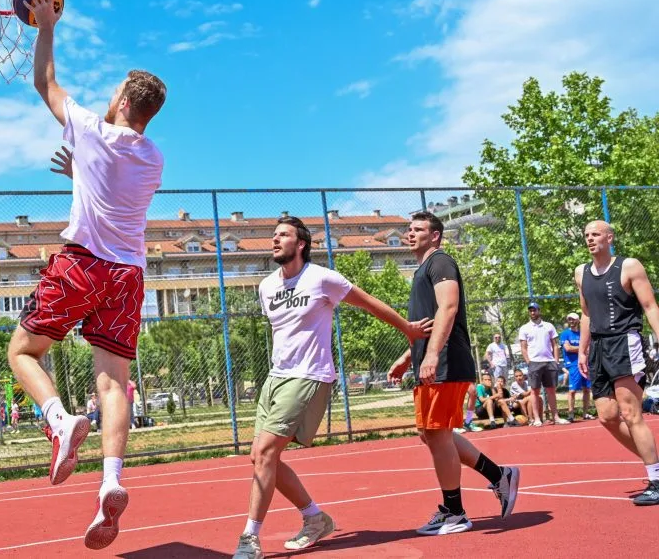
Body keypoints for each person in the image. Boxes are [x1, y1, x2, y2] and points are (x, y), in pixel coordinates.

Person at [6, 0, 167, 550]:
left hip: (82, 265)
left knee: (22, 352)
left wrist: (45, 23)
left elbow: (44, 84)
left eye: (116, 90)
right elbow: (110, 176)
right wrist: (79, 172)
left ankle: (58, 419)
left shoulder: (93, 131)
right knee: (113, 381)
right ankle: (111, 480)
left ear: (123, 100)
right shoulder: (152, 158)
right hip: (128, 277)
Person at [232, 216, 434, 559]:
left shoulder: (322, 278)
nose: (275, 240)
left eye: (283, 235)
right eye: (274, 235)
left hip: (309, 375)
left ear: (301, 244)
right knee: (261, 456)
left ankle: (249, 539)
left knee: (265, 453)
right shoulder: (266, 287)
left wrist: (407, 329)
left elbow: (369, 302)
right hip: (275, 378)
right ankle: (315, 518)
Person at [388, 212, 519, 535]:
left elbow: (448, 308)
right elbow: (429, 321)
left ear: (435, 236)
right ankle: (499, 475)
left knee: (436, 433)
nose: (410, 233)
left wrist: (431, 354)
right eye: (408, 229)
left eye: (418, 229)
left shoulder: (441, 262)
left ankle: (455, 511)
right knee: (431, 433)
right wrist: (409, 356)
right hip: (431, 360)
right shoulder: (423, 269)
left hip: (445, 361)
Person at [574, 220, 659, 505]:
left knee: (630, 413)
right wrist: (583, 350)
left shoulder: (629, 266)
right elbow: (586, 314)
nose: (590, 238)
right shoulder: (581, 272)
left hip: (625, 342)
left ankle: (655, 478)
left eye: (595, 234)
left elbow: (650, 306)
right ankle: (656, 466)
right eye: (586, 235)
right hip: (598, 346)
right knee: (607, 417)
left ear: (609, 237)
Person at [518, 303, 569, 426]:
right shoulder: (524, 328)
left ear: (539, 311)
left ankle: (556, 417)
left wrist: (556, 361)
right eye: (530, 311)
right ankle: (537, 419)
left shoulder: (549, 326)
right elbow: (523, 348)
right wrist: (529, 362)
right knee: (534, 391)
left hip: (549, 362)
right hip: (534, 363)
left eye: (534, 310)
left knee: (551, 390)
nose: (532, 313)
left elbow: (555, 345)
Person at [559, 311, 595, 421]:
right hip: (573, 364)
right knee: (572, 391)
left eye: (573, 319)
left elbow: (589, 348)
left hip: (585, 363)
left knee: (587, 389)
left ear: (578, 321)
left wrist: (581, 349)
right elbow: (567, 348)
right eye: (569, 319)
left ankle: (585, 413)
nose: (571, 321)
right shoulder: (565, 334)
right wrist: (582, 348)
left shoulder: (583, 333)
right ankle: (570, 414)